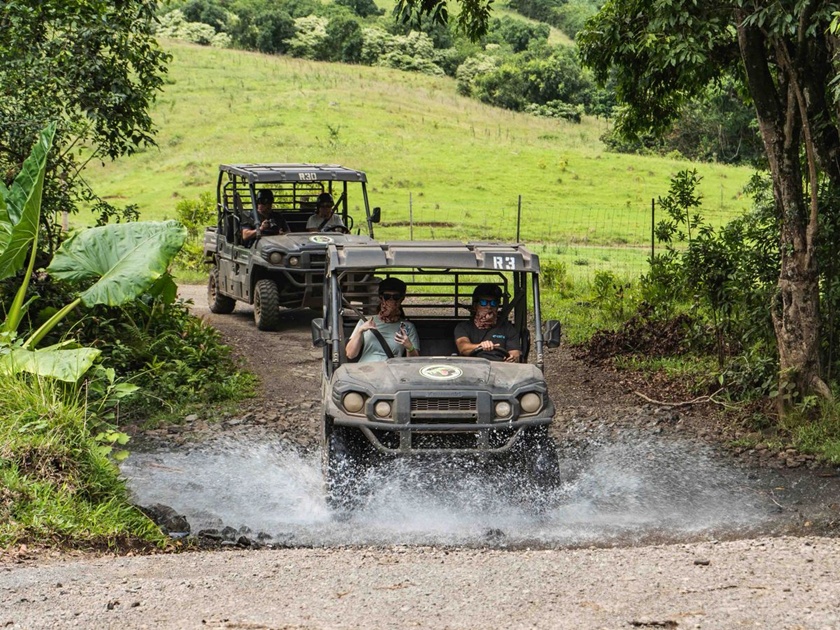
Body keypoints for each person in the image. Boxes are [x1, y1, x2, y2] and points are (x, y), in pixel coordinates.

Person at [346, 278, 420, 362]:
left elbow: (414, 362)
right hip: (365, 370)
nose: (391, 301)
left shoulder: (407, 327)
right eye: (387, 297)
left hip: (391, 372)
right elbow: (350, 354)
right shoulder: (365, 321)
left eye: (396, 297)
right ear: (381, 298)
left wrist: (409, 346)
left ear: (401, 299)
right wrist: (360, 331)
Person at [454, 283, 521, 363]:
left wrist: (512, 358)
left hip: (500, 368)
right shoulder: (463, 327)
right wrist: (480, 346)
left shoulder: (508, 329)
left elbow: (515, 353)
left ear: (497, 307)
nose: (488, 307)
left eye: (493, 303)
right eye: (483, 302)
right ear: (475, 306)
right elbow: (463, 347)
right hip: (472, 366)